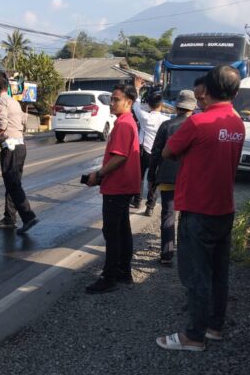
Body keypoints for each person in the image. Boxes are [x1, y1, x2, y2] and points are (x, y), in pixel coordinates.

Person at [156, 65, 245, 352]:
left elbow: (168, 151)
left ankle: (193, 336)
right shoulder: (237, 123)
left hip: (198, 208)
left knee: (197, 275)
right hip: (224, 208)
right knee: (219, 273)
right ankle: (214, 327)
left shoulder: (198, 122)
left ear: (206, 89)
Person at [84, 84, 141, 294]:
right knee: (122, 231)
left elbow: (119, 157)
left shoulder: (124, 124)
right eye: (112, 99)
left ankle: (109, 278)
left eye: (116, 99)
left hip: (117, 187)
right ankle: (124, 273)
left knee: (112, 233)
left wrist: (98, 174)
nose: (112, 103)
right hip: (123, 185)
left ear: (129, 102)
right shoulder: (126, 122)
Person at [148, 89, 197, 267]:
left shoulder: (166, 126)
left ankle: (166, 256)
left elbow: (155, 154)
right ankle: (187, 255)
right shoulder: (198, 126)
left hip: (167, 177)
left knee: (168, 215)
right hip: (190, 180)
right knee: (188, 217)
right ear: (193, 107)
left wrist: (151, 177)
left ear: (177, 107)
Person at [0, 77, 39, 234]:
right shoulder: (14, 102)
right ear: (6, 87)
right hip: (20, 146)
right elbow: (23, 120)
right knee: (12, 182)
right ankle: (10, 217)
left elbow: (1, 125)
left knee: (13, 184)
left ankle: (28, 217)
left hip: (11, 148)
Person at [132, 76, 170, 216]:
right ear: (161, 105)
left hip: (144, 151)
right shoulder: (166, 120)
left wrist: (137, 88)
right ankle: (150, 206)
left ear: (148, 105)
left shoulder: (144, 117)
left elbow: (135, 106)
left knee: (140, 176)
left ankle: (136, 200)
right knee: (154, 179)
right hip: (158, 153)